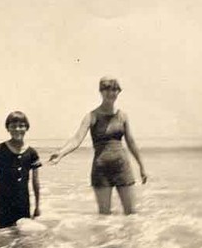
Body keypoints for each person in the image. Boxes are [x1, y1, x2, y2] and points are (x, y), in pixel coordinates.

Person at [49, 77, 147, 215]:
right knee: (104, 217)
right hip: (101, 170)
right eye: (106, 89)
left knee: (131, 214)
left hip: (122, 167)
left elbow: (131, 142)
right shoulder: (91, 116)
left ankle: (129, 238)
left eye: (114, 89)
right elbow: (77, 139)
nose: (110, 93)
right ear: (101, 92)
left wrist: (142, 166)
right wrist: (61, 153)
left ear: (118, 92)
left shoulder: (123, 116)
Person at [0, 111, 41, 228]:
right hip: (4, 202)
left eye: (21, 126)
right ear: (8, 128)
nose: (17, 129)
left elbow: (35, 182)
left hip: (23, 202)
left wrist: (37, 205)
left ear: (27, 128)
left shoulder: (32, 153)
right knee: (3, 234)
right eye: (13, 126)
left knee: (23, 238)